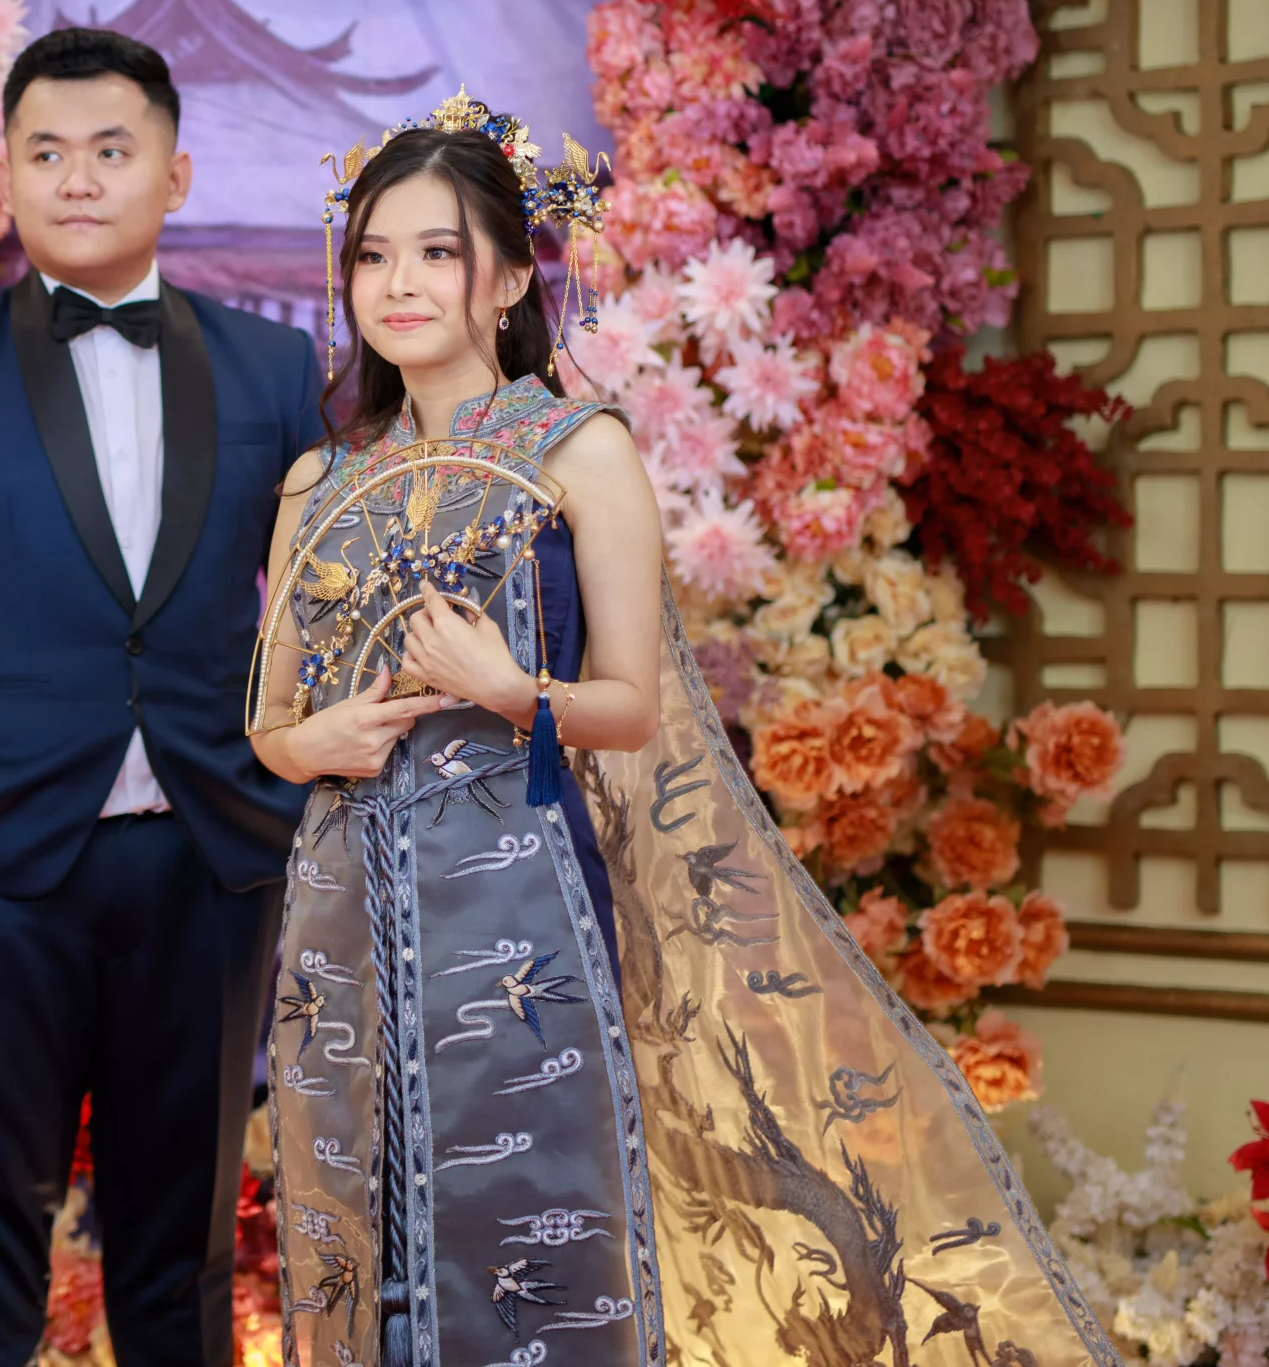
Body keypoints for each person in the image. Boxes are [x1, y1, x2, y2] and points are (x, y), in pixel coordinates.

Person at [248, 96, 1119, 1365]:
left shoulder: (577, 450)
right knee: (351, 1214)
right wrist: (311, 745)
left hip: (515, 901)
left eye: (437, 251)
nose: (399, 283)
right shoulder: (320, 480)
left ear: (510, 277)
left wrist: (508, 688)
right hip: (341, 900)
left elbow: (631, 705)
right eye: (373, 255)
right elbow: (268, 722)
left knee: (527, 1234)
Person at [0, 28, 323, 1367]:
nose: (77, 178)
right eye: (45, 151)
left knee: (183, 1241)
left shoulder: (270, 370)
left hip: (208, 858)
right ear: (8, 177)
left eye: (110, 149)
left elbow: (323, 606)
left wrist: (289, 803)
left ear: (174, 174)